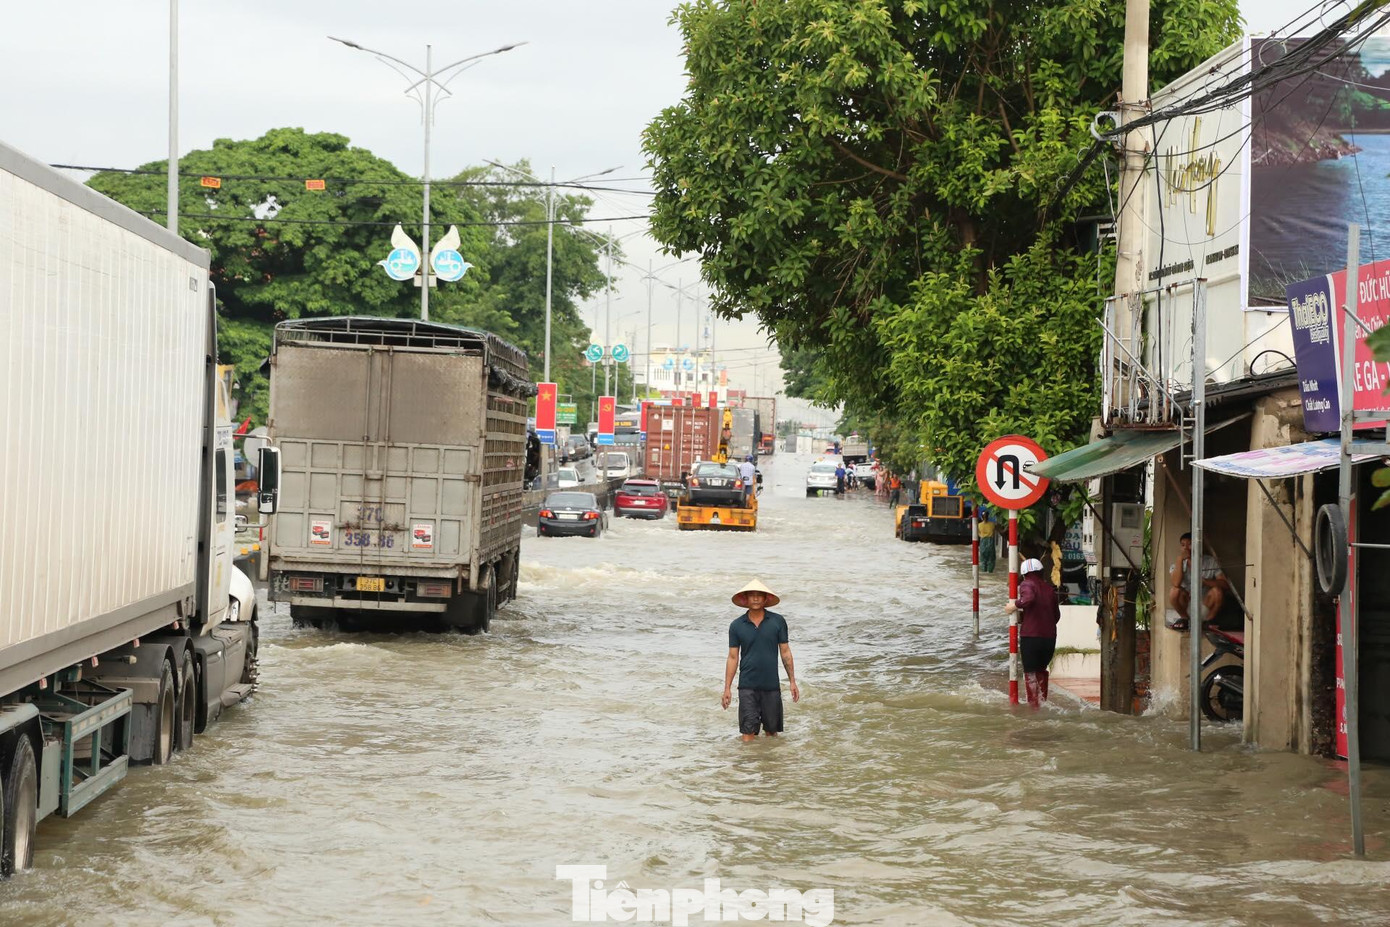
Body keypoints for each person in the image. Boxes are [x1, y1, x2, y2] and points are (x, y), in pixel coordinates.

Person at [722, 580, 799, 741]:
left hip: (771, 686)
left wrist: (792, 681)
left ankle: (768, 764)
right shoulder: (736, 625)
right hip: (747, 686)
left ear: (765, 599)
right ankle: (748, 765)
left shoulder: (778, 621)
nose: (756, 599)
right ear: (746, 600)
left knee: (771, 733)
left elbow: (785, 652)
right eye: (752, 596)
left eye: (759, 596)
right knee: (747, 732)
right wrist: (727, 688)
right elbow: (733, 657)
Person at [1006, 558, 1061, 707]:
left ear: (1024, 574)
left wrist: (1014, 605)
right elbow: (1056, 616)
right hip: (1049, 638)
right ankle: (1042, 703)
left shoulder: (1026, 583)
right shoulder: (1050, 589)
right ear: (1042, 572)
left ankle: (1033, 706)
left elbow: (1028, 598)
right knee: (1041, 670)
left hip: (1030, 637)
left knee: (1030, 672)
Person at [1168, 532, 1227, 630]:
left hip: (1205, 604)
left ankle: (1208, 621)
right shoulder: (1178, 564)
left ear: (1198, 545)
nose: (1186, 548)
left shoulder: (1210, 561)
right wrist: (1180, 559)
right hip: (1187, 605)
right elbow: (1176, 583)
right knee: (1174, 591)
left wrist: (1205, 582)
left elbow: (1225, 584)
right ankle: (1184, 619)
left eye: (1190, 544)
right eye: (1183, 545)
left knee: (1218, 591)